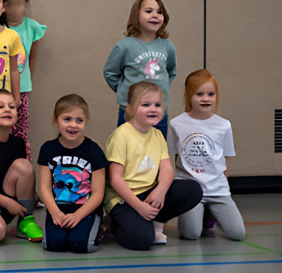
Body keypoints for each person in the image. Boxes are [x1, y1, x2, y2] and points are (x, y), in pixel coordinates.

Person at [105, 82, 202, 250]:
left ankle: (156, 220)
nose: (153, 109)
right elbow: (115, 179)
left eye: (157, 105)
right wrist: (139, 206)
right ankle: (113, 224)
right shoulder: (121, 135)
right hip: (124, 198)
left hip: (148, 193)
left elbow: (167, 169)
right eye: (146, 104)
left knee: (193, 190)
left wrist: (160, 191)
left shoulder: (157, 135)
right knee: (143, 240)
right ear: (130, 109)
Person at [169, 70, 245, 240]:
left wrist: (222, 185)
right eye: (199, 94)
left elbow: (225, 161)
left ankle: (209, 213)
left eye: (211, 94)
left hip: (217, 190)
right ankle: (199, 216)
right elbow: (175, 158)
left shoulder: (224, 125)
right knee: (191, 234)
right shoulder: (176, 124)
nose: (206, 98)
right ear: (188, 95)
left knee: (238, 233)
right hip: (192, 191)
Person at [37, 94, 106, 253]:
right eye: (67, 119)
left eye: (79, 120)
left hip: (85, 210)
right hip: (59, 209)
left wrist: (78, 215)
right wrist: (55, 212)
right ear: (56, 120)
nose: (73, 125)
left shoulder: (94, 150)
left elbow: (98, 194)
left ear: (86, 121)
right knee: (53, 244)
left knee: (81, 244)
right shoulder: (48, 149)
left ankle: (99, 227)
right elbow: (45, 187)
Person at [0, 89, 43, 244]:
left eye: (11, 107)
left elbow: (23, 176)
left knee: (24, 165)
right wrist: (6, 202)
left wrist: (28, 199)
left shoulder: (18, 143)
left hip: (9, 200)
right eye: (0, 106)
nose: (7, 109)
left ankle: (26, 221)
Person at [103, 0, 177, 137]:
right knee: (128, 145)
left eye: (159, 12)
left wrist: (160, 89)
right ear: (136, 15)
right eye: (149, 11)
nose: (155, 15)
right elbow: (110, 73)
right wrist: (125, 91)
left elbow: (171, 71)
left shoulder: (167, 46)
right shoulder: (125, 46)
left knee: (157, 145)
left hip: (158, 111)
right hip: (130, 110)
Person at [1, 0, 46, 159]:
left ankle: (22, 163)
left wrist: (28, 79)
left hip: (22, 87)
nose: (14, 9)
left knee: (19, 129)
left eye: (18, 4)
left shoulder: (31, 27)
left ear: (25, 4)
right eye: (9, 4)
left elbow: (33, 56)